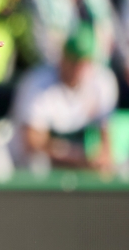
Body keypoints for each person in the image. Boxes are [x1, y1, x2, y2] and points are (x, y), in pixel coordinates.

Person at [12, 24, 118, 173]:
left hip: (79, 163)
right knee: (38, 164)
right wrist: (78, 158)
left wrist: (100, 159)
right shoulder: (36, 83)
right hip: (28, 168)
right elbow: (33, 143)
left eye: (85, 61)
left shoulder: (103, 82)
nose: (79, 68)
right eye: (74, 60)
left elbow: (107, 139)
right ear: (63, 58)